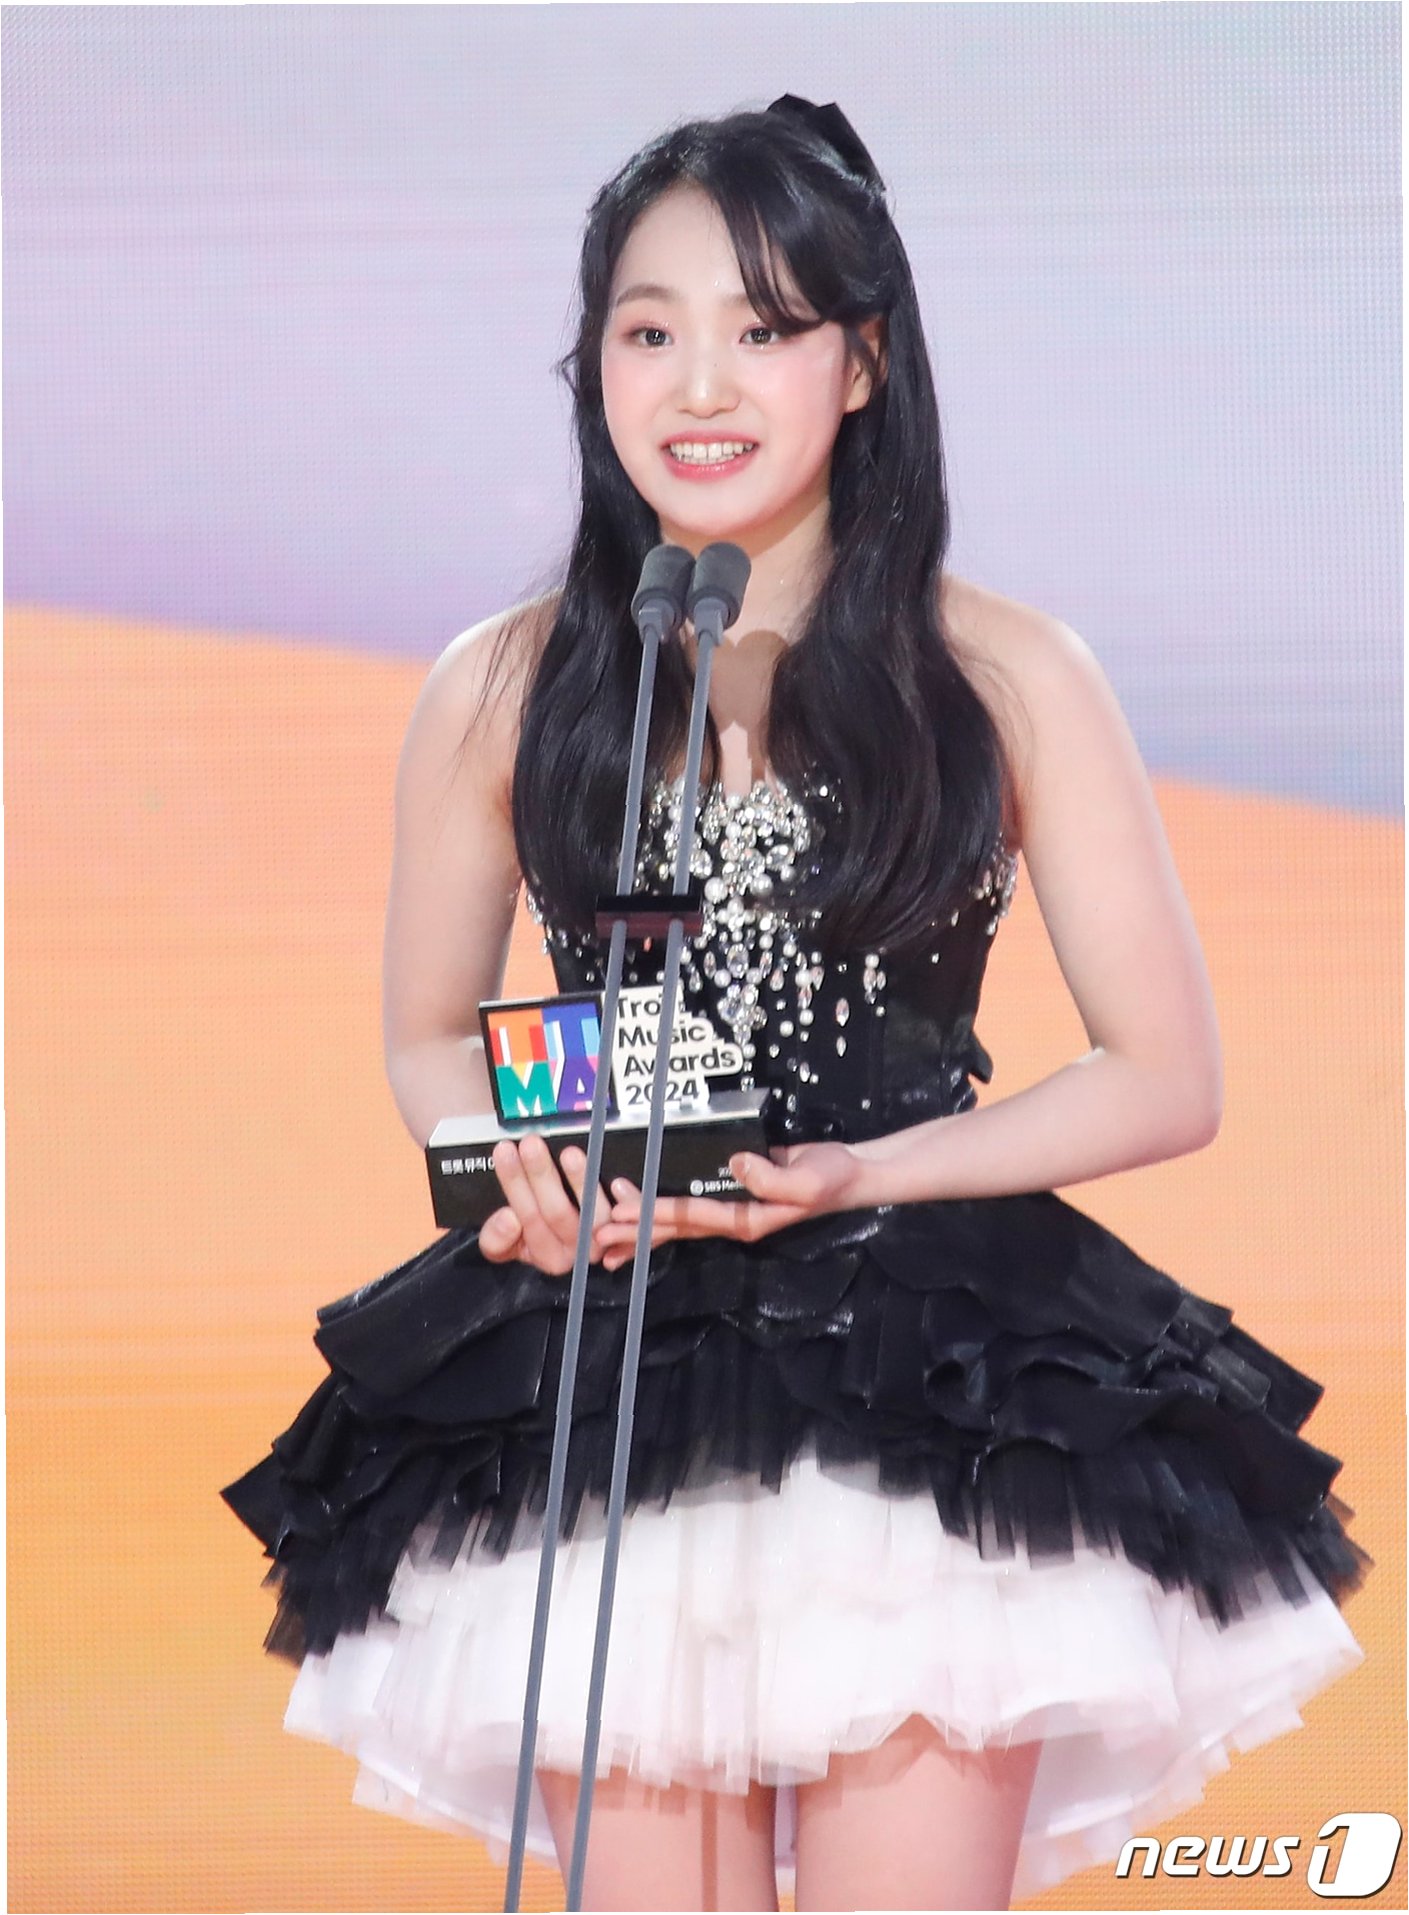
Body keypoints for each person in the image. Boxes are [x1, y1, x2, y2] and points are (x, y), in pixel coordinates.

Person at [222, 97, 1371, 1912]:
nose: (699, 384)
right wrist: (514, 1164)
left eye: (760, 329)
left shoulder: (1002, 675)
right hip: (609, 1360)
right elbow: (430, 1029)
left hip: (931, 1384)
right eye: (647, 330)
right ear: (592, 363)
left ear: (862, 361)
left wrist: (872, 1175)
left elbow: (1162, 1075)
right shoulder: (504, 684)